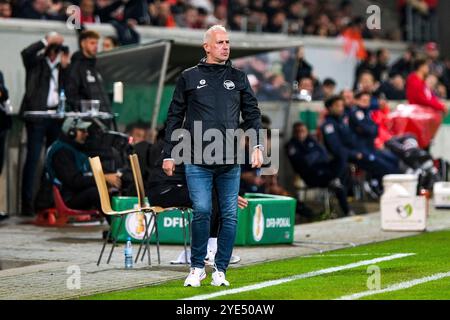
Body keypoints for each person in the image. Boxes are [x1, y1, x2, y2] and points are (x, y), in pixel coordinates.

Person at [162, 25, 263, 287]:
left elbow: (252, 115)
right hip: (197, 158)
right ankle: (196, 268)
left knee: (230, 215)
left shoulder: (239, 77)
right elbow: (174, 117)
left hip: (230, 161)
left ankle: (221, 270)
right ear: (206, 46)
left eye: (228, 42)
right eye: (219, 42)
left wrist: (257, 146)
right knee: (203, 211)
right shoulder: (188, 77)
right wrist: (169, 154)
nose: (225, 46)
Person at [19, 32, 70, 215]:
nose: (55, 53)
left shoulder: (62, 68)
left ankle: (45, 201)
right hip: (37, 117)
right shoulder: (36, 64)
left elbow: (70, 89)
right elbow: (25, 53)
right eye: (53, 49)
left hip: (55, 118)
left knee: (51, 161)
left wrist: (66, 66)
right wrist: (46, 40)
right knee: (33, 160)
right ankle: (26, 205)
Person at [46, 117, 121, 212]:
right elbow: (74, 182)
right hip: (67, 198)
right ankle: (116, 222)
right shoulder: (61, 152)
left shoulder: (76, 149)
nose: (86, 134)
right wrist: (103, 178)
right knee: (95, 193)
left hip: (77, 193)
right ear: (71, 133)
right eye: (82, 131)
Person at [286, 122, 352, 216]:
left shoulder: (311, 141)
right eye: (298, 131)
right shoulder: (291, 146)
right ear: (294, 132)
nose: (300, 134)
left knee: (342, 159)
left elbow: (324, 154)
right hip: (311, 176)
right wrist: (314, 156)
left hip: (324, 169)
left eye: (303, 131)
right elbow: (304, 163)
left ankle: (336, 180)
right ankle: (347, 210)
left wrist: (312, 156)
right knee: (337, 185)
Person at [66, 30, 112, 114]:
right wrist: (87, 110)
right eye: (92, 43)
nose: (95, 46)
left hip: (104, 116)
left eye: (96, 43)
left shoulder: (97, 65)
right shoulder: (76, 67)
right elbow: (71, 96)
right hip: (89, 120)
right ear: (83, 44)